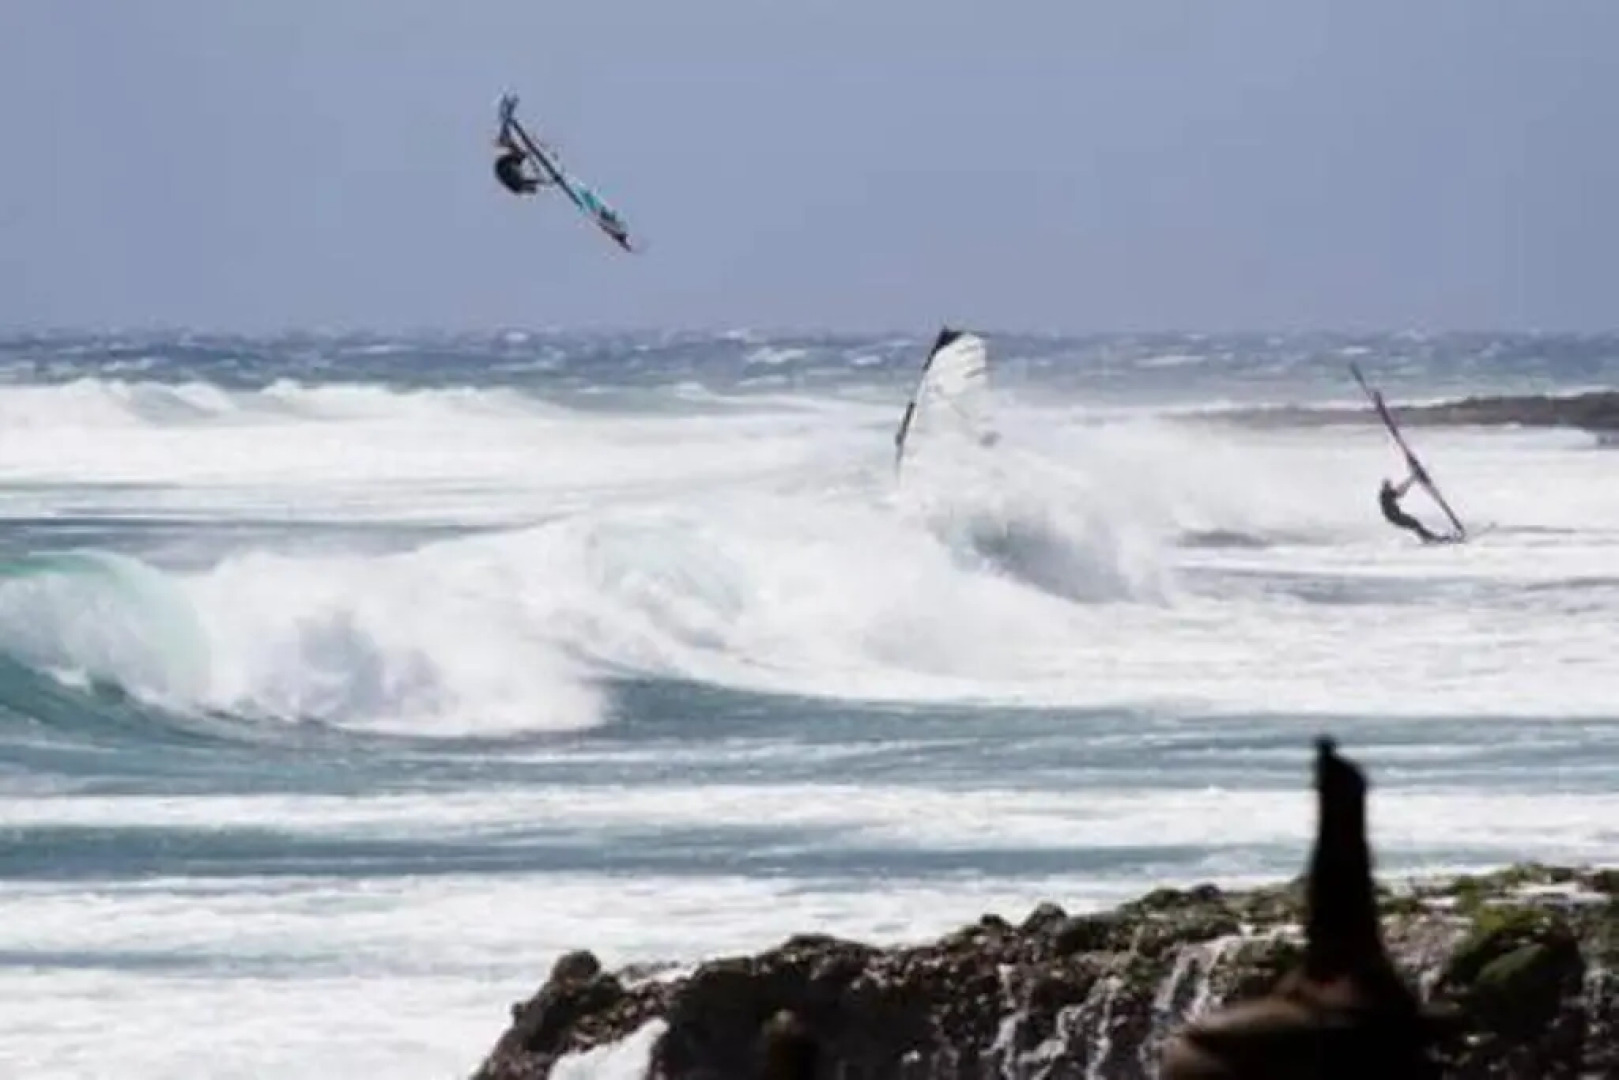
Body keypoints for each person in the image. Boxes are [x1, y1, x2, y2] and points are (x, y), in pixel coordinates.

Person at [1378, 465, 1442, 543]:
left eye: (1389, 485)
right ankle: (1428, 538)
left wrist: (1411, 479)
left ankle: (1427, 538)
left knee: (1415, 523)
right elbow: (1400, 491)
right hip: (1394, 517)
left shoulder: (1386, 493)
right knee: (1414, 524)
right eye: (1388, 485)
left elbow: (1399, 490)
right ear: (1385, 486)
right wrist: (1412, 479)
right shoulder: (1385, 494)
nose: (1390, 486)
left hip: (1396, 516)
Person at [493, 129, 547, 195]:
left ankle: (506, 141)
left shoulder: (517, 187)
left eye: (530, 188)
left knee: (520, 156)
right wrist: (543, 181)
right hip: (505, 167)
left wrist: (540, 181)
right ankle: (507, 142)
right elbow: (528, 181)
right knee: (521, 157)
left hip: (503, 166)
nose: (529, 187)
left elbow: (528, 182)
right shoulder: (519, 186)